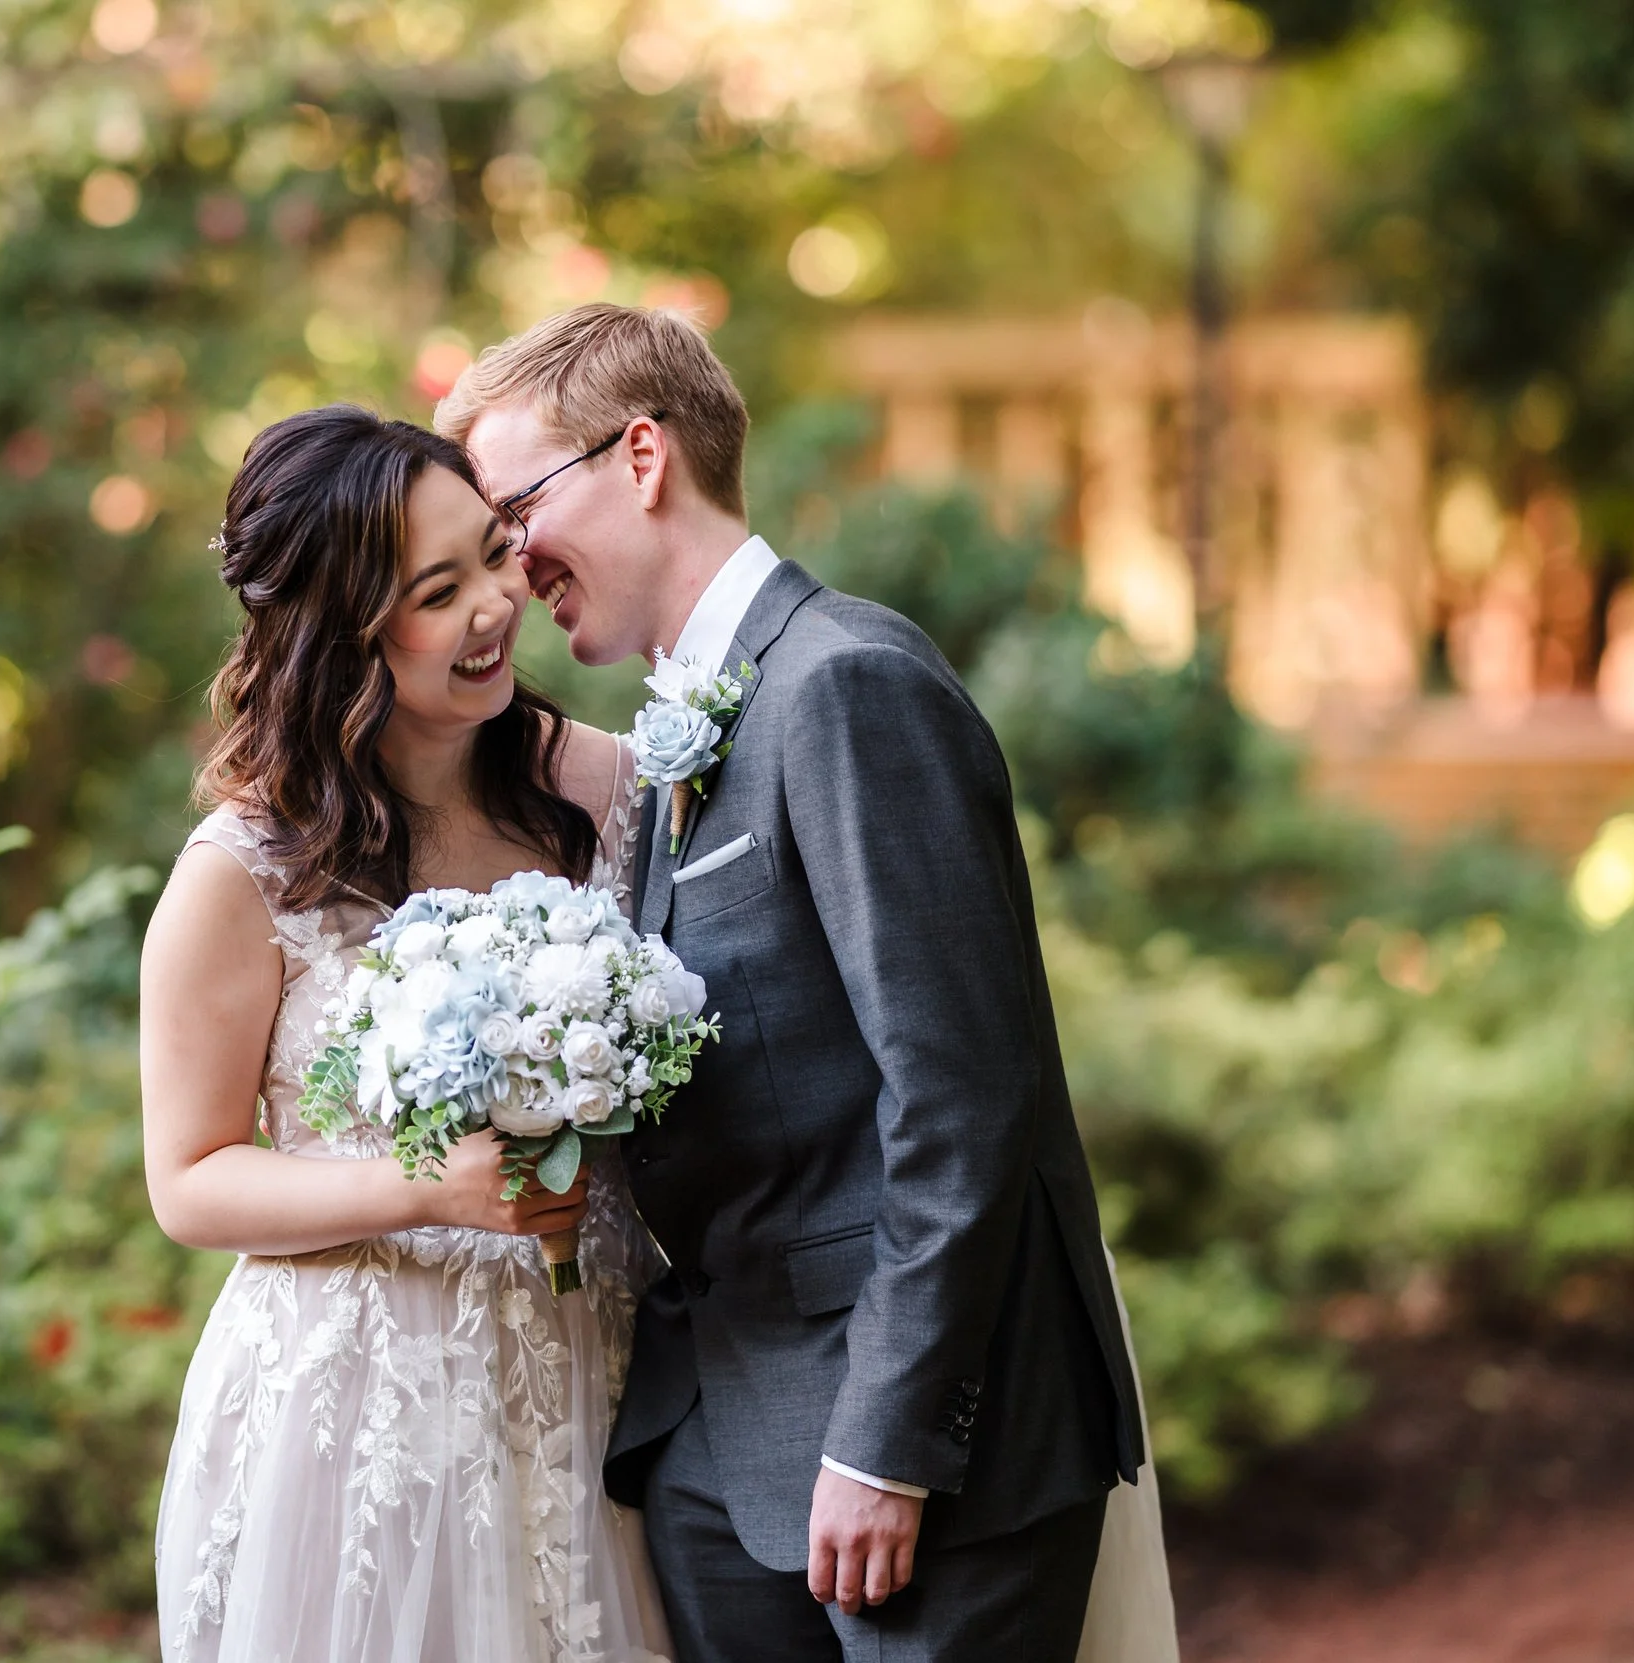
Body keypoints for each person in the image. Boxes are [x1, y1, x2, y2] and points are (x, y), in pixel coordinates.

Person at [438, 303, 1178, 1663]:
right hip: (723, 1433)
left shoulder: (843, 684)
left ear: (641, 455)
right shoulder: (675, 733)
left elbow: (964, 1095)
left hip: (914, 1450)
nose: (509, 561)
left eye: (515, 508)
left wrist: (893, 1441)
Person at [141, 405, 675, 1663]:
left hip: (602, 1371)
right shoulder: (242, 875)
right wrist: (423, 1185)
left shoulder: (605, 791)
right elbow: (190, 1179)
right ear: (343, 636)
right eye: (441, 590)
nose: (499, 603)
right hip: (366, 1414)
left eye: (495, 552)